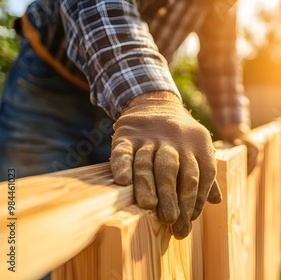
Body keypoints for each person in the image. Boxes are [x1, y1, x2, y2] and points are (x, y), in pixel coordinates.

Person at [0, 0, 259, 240]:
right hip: (50, 81)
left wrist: (234, 125)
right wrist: (155, 103)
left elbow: (220, 59)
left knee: (119, 214)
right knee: (22, 219)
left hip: (124, 102)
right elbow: (100, 6)